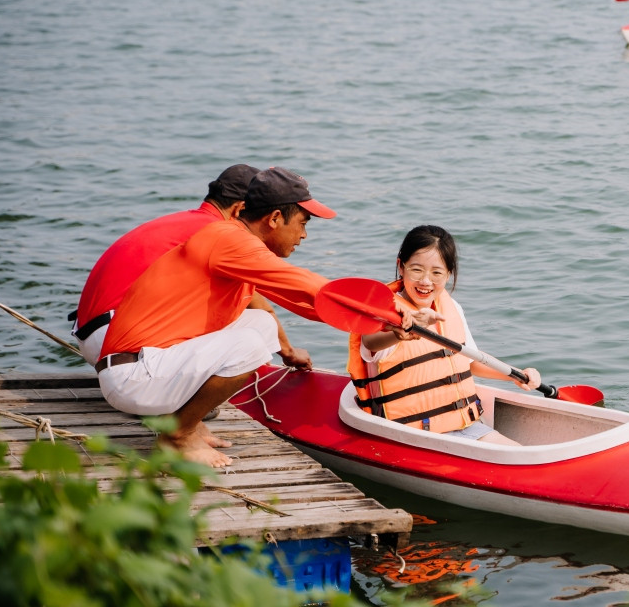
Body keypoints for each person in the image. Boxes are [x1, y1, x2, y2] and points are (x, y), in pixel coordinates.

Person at [97, 167, 430, 468]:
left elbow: (308, 303)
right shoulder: (228, 240)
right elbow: (303, 283)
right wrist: (389, 305)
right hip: (134, 376)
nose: (304, 236)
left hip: (149, 368)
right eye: (302, 223)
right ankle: (177, 437)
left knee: (260, 325)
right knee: (250, 345)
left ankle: (186, 422)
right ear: (274, 218)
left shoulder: (236, 247)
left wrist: (383, 322)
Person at [347, 225, 541, 445]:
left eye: (437, 272)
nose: (426, 281)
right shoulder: (383, 314)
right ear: (401, 267)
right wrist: (403, 329)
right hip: (408, 435)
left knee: (517, 452)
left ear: (449, 274)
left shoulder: (452, 308)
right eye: (417, 270)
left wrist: (516, 375)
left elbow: (471, 360)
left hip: (465, 426)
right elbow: (371, 342)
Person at [71, 164, 259, 364]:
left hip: (94, 334)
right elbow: (262, 308)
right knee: (251, 331)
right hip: (119, 341)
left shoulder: (184, 222)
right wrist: (288, 353)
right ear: (240, 210)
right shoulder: (219, 234)